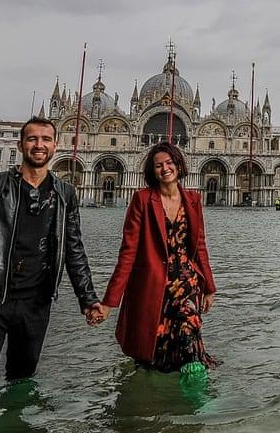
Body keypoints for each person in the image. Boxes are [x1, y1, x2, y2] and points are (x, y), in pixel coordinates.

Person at [0, 116, 104, 406]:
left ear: (56, 146)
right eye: (32, 139)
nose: (39, 145)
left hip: (35, 304)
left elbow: (74, 250)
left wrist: (88, 298)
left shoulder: (65, 194)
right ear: (21, 145)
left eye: (45, 139)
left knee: (22, 380)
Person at [94, 142, 217, 381]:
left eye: (169, 163)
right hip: (153, 284)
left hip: (186, 283)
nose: (165, 168)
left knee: (189, 339)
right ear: (152, 171)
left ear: (179, 166)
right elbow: (128, 253)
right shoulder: (142, 199)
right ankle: (156, 406)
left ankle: (199, 402)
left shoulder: (193, 199)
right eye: (158, 165)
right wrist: (110, 302)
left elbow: (200, 246)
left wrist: (209, 287)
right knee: (156, 350)